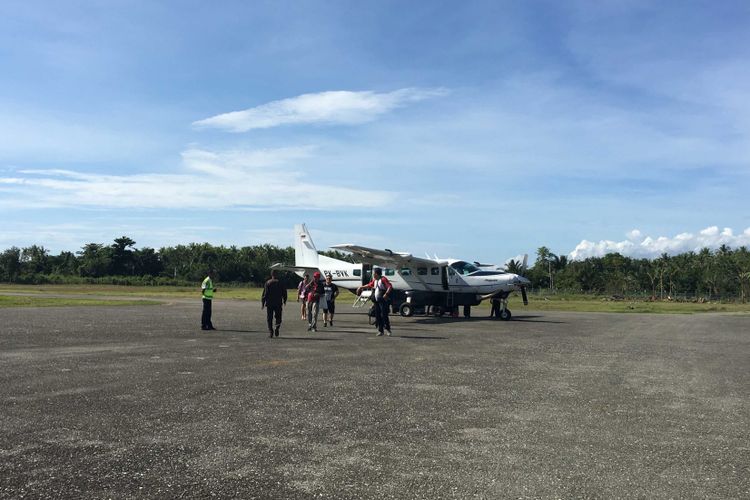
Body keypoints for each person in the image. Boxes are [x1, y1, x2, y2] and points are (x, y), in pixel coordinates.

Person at [357, 268, 392, 336]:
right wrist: (361, 287)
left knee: (384, 315)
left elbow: (389, 286)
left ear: (376, 273)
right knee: (377, 315)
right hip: (376, 301)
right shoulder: (375, 280)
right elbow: (369, 285)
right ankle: (380, 331)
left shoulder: (383, 279)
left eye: (374, 273)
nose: (373, 274)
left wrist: (386, 294)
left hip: (382, 301)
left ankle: (388, 329)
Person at [261, 270, 287, 338]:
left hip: (269, 303)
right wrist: (285, 300)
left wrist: (263, 303)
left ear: (271, 274)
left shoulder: (268, 282)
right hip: (278, 303)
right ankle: (277, 328)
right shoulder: (281, 282)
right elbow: (284, 292)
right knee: (278, 317)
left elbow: (265, 294)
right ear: (277, 274)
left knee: (269, 318)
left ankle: (271, 331)